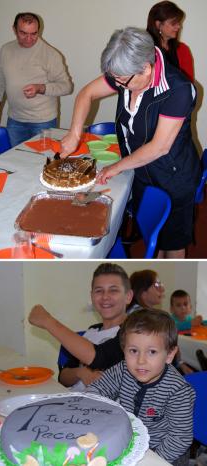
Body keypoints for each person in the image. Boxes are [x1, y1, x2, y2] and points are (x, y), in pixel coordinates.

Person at [61, 27, 200, 258]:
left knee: (172, 242)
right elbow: (86, 94)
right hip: (141, 170)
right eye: (115, 79)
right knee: (153, 235)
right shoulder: (125, 74)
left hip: (173, 177)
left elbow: (159, 147)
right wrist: (74, 133)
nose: (117, 85)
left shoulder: (178, 90)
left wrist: (116, 166)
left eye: (122, 81)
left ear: (146, 68)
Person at [85, 309, 194, 466]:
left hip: (166, 453)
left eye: (152, 352)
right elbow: (97, 390)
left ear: (170, 354)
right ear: (124, 350)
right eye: (134, 351)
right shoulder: (122, 369)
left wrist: (152, 461)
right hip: (130, 442)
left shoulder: (178, 391)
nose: (141, 361)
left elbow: (180, 438)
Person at [0, 12, 72, 146]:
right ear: (14, 30)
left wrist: (40, 88)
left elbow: (66, 86)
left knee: (41, 158)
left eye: (34, 33)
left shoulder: (50, 54)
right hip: (14, 120)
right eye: (23, 33)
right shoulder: (6, 50)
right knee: (13, 157)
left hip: (43, 122)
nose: (29, 38)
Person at [59, 263, 133, 391]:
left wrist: (47, 321)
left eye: (113, 290)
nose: (105, 297)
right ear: (92, 296)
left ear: (128, 296)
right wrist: (80, 373)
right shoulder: (91, 331)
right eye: (99, 291)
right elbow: (63, 377)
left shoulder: (133, 333)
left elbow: (99, 357)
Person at [147, 1, 194, 81]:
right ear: (158, 24)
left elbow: (188, 82)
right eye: (173, 23)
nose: (178, 26)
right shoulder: (143, 49)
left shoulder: (183, 50)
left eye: (179, 23)